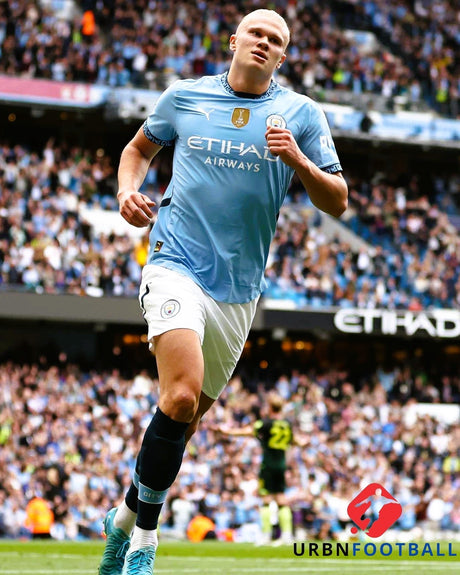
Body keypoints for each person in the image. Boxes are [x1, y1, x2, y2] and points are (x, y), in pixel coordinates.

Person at [98, 8, 347, 575]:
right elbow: (137, 151)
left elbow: (337, 199)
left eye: (275, 39)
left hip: (238, 290)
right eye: (256, 33)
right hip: (175, 262)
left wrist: (297, 159)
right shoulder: (185, 96)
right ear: (234, 41)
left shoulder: (302, 114)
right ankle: (144, 542)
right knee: (180, 397)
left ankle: (122, 518)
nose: (264, 42)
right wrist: (127, 191)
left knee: (184, 424)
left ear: (282, 56)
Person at [216, 393, 307, 545]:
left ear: (270, 407)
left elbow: (247, 431)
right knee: (281, 499)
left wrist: (226, 431)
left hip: (268, 464)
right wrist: (304, 442)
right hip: (281, 465)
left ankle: (266, 534)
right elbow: (296, 441)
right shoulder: (287, 424)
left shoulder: (265, 423)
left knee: (266, 500)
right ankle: (286, 535)